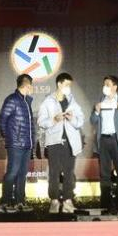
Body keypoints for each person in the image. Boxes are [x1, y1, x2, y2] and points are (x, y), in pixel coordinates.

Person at [38, 72, 84, 214]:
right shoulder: (48, 101)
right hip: (54, 142)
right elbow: (41, 121)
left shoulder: (72, 102)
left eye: (70, 85)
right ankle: (54, 201)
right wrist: (54, 119)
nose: (69, 88)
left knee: (69, 172)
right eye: (66, 85)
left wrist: (72, 118)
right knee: (54, 172)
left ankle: (68, 201)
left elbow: (80, 121)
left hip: (70, 142)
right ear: (59, 84)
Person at [91, 74, 118, 214]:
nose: (105, 87)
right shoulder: (100, 100)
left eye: (108, 85)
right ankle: (105, 203)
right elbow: (92, 120)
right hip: (103, 140)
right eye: (104, 84)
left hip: (117, 140)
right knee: (104, 173)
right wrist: (96, 112)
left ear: (115, 86)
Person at [0, 74, 34, 214]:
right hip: (16, 144)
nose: (32, 88)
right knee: (12, 172)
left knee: (22, 174)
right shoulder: (12, 99)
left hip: (26, 144)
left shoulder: (26, 101)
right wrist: (11, 137)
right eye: (31, 85)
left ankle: (20, 202)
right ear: (27, 85)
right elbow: (2, 120)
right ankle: (5, 203)